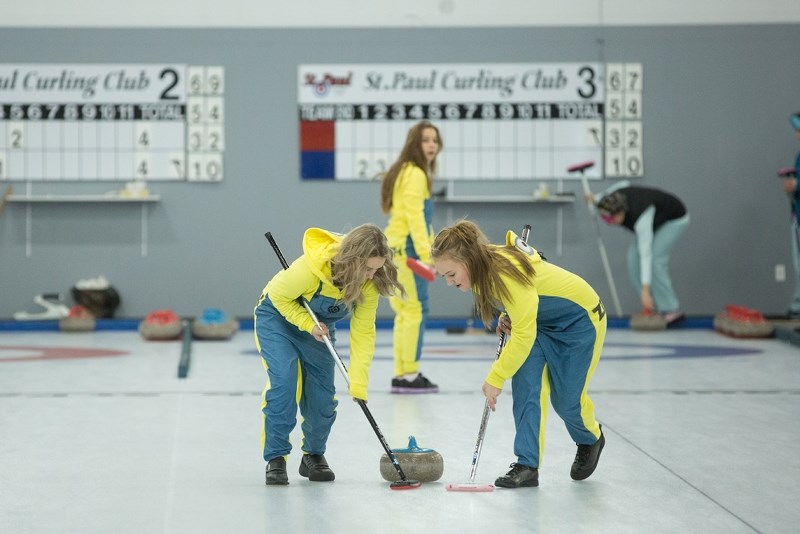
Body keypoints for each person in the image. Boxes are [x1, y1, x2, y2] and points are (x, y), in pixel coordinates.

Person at [431, 219, 607, 488]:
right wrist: (507, 312)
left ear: (469, 259)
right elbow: (523, 301)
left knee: (566, 400)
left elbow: (523, 331)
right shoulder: (481, 270)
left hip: (579, 322)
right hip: (540, 322)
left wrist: (495, 377)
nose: (448, 282)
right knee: (526, 387)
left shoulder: (504, 271)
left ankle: (590, 438)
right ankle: (527, 464)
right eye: (444, 276)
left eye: (451, 274)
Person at [255, 224, 404, 486]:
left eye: (376, 269)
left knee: (322, 396)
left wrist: (358, 382)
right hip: (277, 319)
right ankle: (276, 458)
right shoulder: (311, 268)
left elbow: (363, 333)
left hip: (318, 329)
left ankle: (313, 455)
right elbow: (279, 298)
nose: (371, 275)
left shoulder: (369, 284)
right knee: (285, 382)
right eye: (367, 269)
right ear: (353, 261)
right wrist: (306, 323)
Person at [380, 120, 442, 393]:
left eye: (435, 140)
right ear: (414, 143)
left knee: (404, 314)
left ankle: (402, 374)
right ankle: (409, 374)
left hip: (393, 249)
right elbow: (416, 217)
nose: (432, 145)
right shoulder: (416, 173)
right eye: (426, 140)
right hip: (408, 252)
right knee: (415, 311)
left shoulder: (403, 171)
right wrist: (429, 255)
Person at [587, 181, 690, 324]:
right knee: (633, 260)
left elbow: (646, 254)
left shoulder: (641, 217)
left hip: (674, 219)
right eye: (603, 217)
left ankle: (671, 309)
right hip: (656, 220)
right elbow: (624, 183)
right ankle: (651, 305)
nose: (607, 222)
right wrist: (595, 198)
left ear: (622, 212)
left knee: (655, 260)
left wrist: (646, 289)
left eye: (610, 218)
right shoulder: (612, 198)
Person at [780, 111, 800, 318]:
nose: (797, 136)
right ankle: (797, 304)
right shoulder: (799, 157)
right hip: (797, 216)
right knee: (798, 263)